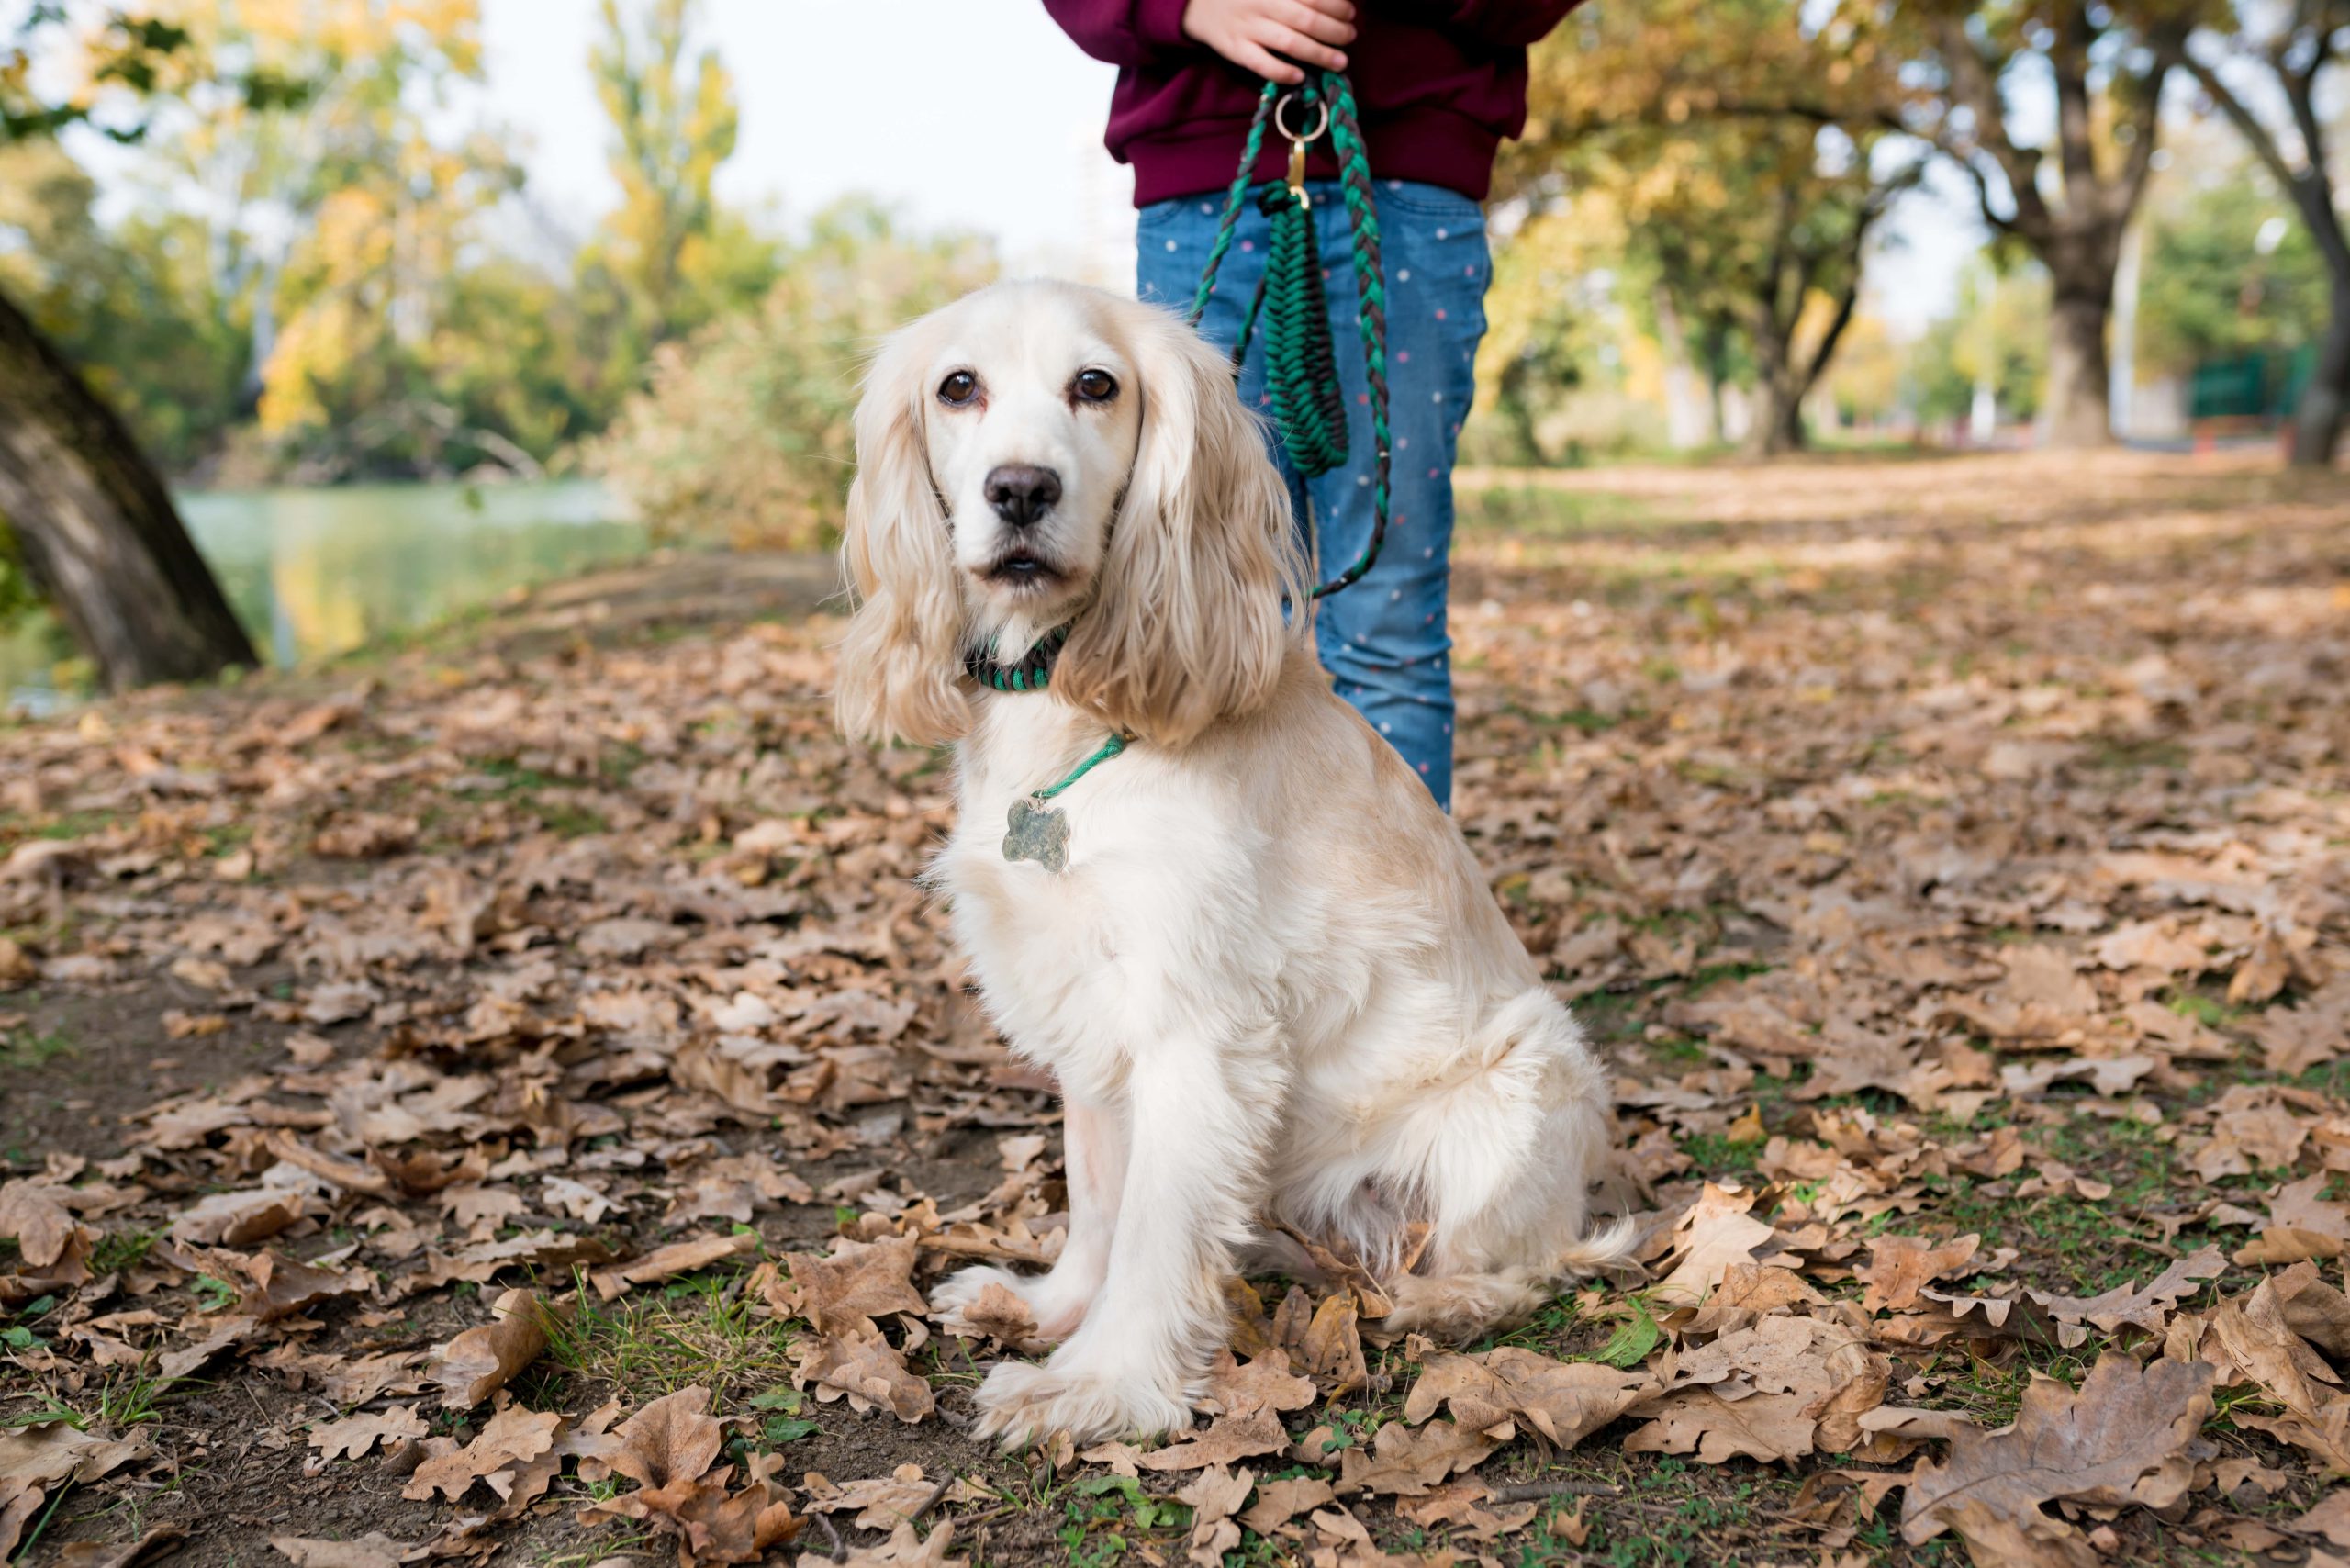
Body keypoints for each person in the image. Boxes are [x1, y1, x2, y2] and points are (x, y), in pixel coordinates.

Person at [1043, 0, 1580, 812]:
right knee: (1211, 608)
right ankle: (1226, 916)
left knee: (1392, 623)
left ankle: (1401, 923)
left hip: (1414, 188)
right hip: (1204, 187)